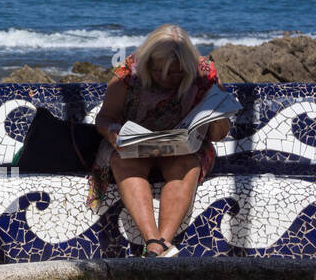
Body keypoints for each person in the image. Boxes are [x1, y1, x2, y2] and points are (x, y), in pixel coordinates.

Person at [91, 24, 231, 256]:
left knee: (185, 165)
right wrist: (114, 133)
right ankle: (154, 241)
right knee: (124, 163)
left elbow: (219, 134)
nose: (166, 78)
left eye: (176, 73)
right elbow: (104, 118)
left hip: (185, 150)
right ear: (147, 64)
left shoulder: (204, 74)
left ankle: (159, 245)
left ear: (187, 66)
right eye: (158, 71)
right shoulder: (128, 73)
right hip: (134, 148)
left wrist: (216, 119)